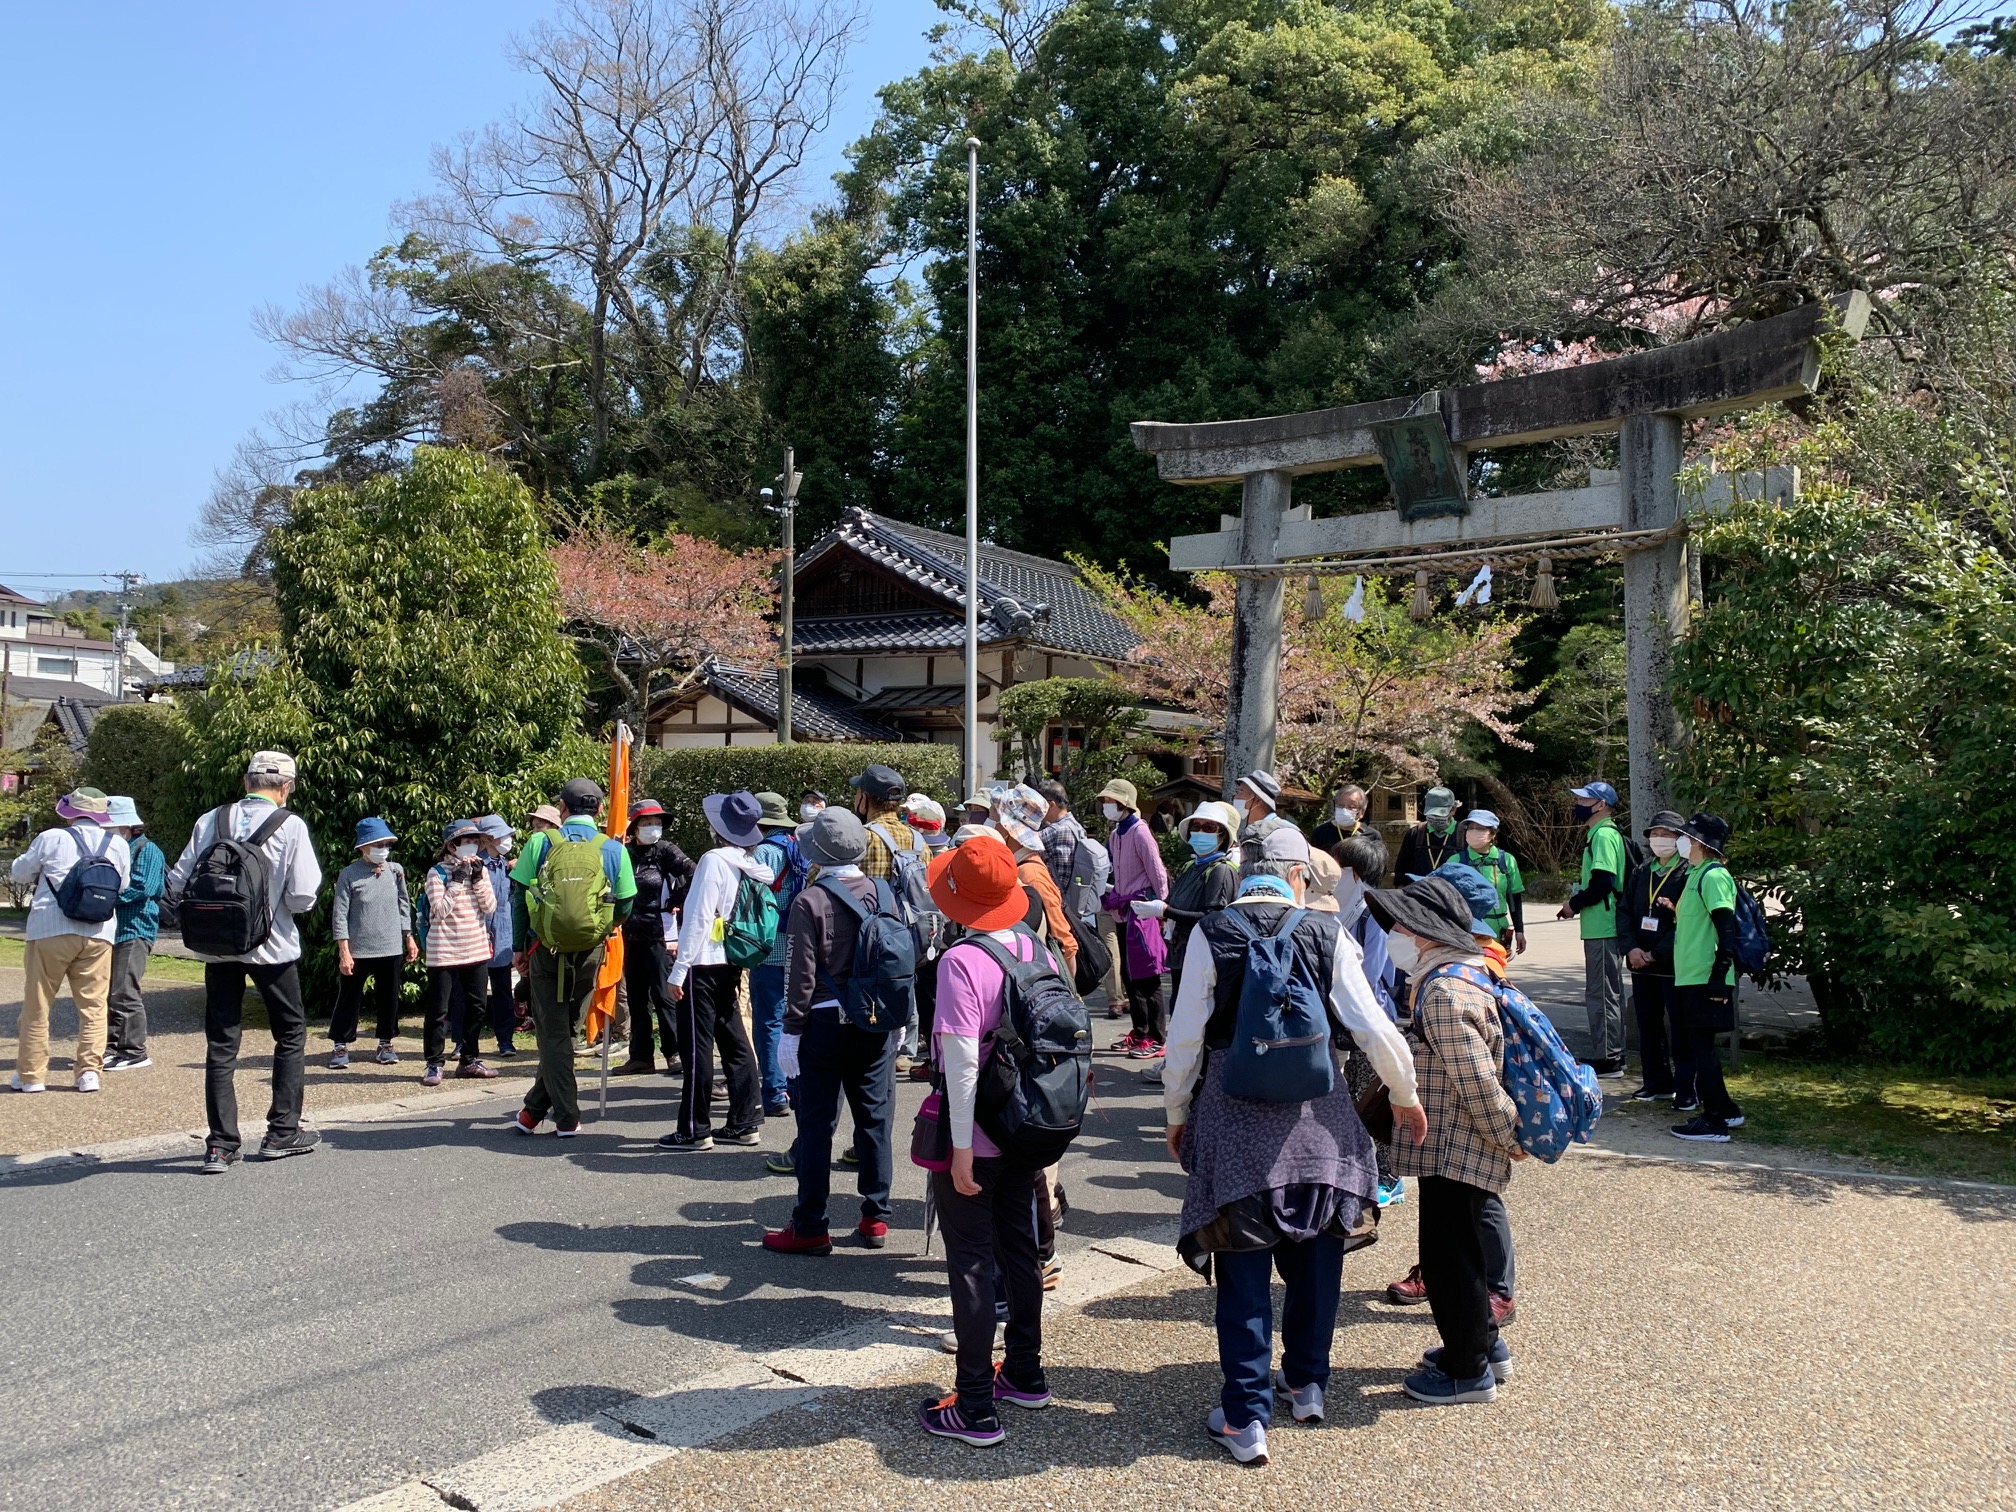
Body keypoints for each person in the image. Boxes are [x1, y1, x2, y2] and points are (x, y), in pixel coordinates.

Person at [1162, 826, 1426, 1465]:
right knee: (1317, 1259)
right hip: (1321, 1121)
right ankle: (1307, 1384)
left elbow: (1186, 1037)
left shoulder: (1211, 931)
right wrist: (1404, 1091)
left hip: (1235, 1119)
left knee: (1243, 1271)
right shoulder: (1324, 932)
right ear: (1299, 874)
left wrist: (1176, 1111)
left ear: (1248, 868)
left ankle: (1245, 1416)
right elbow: (1370, 1023)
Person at [917, 833, 1057, 1447]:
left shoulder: (960, 963)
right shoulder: (1033, 948)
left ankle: (973, 1405)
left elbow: (962, 1061)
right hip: (1028, 1126)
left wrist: (963, 1146)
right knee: (1020, 1250)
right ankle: (1025, 1371)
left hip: (978, 1131)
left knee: (971, 1261)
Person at [1367, 875, 1524, 1405]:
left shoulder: (1443, 991)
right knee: (1466, 1251)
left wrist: (1510, 1135)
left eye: (1398, 927)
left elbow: (1476, 1080)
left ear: (1423, 932)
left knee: (1448, 1258)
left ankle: (1465, 1370)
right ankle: (1483, 1345)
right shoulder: (1464, 975)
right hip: (1461, 1142)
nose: (1392, 936)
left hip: (1460, 1143)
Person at [167, 753, 322, 1171]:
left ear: (245, 781)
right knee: (290, 1033)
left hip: (218, 947)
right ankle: (281, 1132)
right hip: (273, 947)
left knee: (221, 1042)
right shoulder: (290, 825)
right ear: (286, 788)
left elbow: (179, 880)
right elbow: (304, 895)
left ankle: (220, 1144)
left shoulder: (210, 820)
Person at [761, 808, 904, 1255]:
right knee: (875, 1119)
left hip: (822, 1024)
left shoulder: (811, 900)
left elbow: (800, 975)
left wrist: (790, 1032)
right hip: (876, 1021)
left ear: (816, 853)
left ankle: (810, 1225)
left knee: (816, 1123)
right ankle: (875, 1219)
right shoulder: (884, 892)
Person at [508, 777, 635, 1138]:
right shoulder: (613, 849)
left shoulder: (540, 841)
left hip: (544, 949)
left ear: (562, 809)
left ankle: (566, 1116)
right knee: (564, 1031)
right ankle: (531, 1113)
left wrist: (519, 947)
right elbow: (626, 903)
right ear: (598, 810)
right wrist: (605, 927)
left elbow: (519, 898)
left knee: (552, 1034)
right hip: (591, 950)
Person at [659, 790, 774, 1153]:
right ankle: (745, 1120)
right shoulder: (749, 862)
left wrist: (679, 970)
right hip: (731, 957)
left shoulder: (712, 860)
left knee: (697, 1046)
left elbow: (698, 917)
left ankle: (694, 1128)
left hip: (701, 962)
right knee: (734, 1039)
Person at [8, 786, 130, 1095]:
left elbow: (20, 873)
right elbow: (123, 884)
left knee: (37, 1004)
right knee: (93, 1006)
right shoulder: (117, 843)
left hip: (50, 928)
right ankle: (89, 1072)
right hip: (99, 932)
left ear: (72, 812)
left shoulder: (51, 837)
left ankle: (32, 1076)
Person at [1332, 831, 1404, 1205]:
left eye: (1339, 866)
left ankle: (1389, 1176)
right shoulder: (1336, 906)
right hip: (1344, 1019)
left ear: (1356, 873)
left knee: (1372, 1097)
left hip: (1369, 1019)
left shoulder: (1373, 914)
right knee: (1351, 1096)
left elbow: (1373, 973)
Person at [1667, 812, 1748, 1143]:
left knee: (1701, 1047)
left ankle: (1715, 1121)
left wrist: (1719, 974)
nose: (1680, 841)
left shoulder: (1714, 876)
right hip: (1692, 976)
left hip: (1706, 977)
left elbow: (1726, 928)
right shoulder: (1696, 873)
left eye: (1686, 836)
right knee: (1699, 1045)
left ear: (1699, 842)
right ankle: (1726, 1109)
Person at [851, 764, 932, 1072]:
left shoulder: (863, 837)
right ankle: (901, 1050)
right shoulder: (917, 839)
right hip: (910, 935)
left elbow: (855, 890)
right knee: (903, 989)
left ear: (866, 798)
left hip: (871, 938)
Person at [328, 816, 416, 1068]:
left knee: (389, 997)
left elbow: (403, 904)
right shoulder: (349, 874)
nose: (383, 849)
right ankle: (340, 1045)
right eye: (377, 845)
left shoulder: (396, 870)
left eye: (386, 844)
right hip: (358, 948)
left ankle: (386, 1043)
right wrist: (344, 951)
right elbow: (340, 914)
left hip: (390, 946)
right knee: (348, 997)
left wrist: (408, 936)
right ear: (362, 847)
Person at [615, 799, 694, 1078]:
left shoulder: (666, 851)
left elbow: (692, 872)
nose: (653, 827)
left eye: (657, 822)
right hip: (629, 933)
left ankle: (674, 1053)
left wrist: (677, 898)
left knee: (664, 994)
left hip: (661, 933)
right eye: (647, 823)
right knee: (636, 997)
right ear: (635, 826)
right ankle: (640, 1056)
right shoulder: (623, 853)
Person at [1555, 780, 1628, 1075]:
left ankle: (1609, 1057)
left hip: (1603, 926)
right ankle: (1612, 1052)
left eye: (1586, 800)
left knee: (1601, 993)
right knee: (1606, 991)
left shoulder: (1604, 835)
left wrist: (1574, 903)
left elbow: (1603, 882)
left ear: (1601, 805)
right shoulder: (1599, 834)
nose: (1579, 805)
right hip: (1600, 925)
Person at [1623, 810, 1693, 1109]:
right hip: (1640, 962)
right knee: (1648, 1025)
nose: (1659, 840)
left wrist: (1656, 953)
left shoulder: (1688, 873)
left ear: (1680, 840)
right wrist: (1631, 948)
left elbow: (1685, 922)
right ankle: (1655, 1082)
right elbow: (1624, 911)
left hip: (1672, 964)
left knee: (1681, 1028)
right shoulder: (1641, 872)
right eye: (1655, 834)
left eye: (1666, 834)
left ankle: (1687, 1086)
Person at [424, 819, 499, 1086]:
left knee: (477, 1006)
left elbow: (489, 907)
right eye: (466, 842)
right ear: (452, 845)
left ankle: (469, 1060)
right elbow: (439, 912)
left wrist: (477, 878)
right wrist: (456, 882)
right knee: (438, 1010)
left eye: (475, 841)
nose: (472, 846)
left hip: (476, 948)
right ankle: (434, 1063)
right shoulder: (437, 873)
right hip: (443, 949)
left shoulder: (482, 870)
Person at [1098, 778, 1170, 1058]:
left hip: (1142, 912)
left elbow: (1157, 870)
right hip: (1123, 910)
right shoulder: (1117, 834)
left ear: (1124, 803)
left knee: (1147, 977)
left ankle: (1157, 1036)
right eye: (1105, 801)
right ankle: (1140, 1032)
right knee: (1130, 976)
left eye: (1110, 801)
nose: (1106, 806)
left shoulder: (1140, 832)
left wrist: (1161, 906)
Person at [750, 791, 805, 1116]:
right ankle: (795, 1088)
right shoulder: (799, 847)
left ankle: (774, 1093)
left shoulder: (763, 853)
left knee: (769, 1022)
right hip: (799, 949)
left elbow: (754, 902)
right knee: (794, 1020)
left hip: (769, 949)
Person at [994, 784, 1079, 980]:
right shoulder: (1018, 867)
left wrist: (1067, 995)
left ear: (1008, 828)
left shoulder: (1031, 874)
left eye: (997, 817)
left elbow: (1065, 944)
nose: (993, 823)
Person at [104, 795, 165, 1072]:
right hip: (111, 930)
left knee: (125, 990)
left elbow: (144, 887)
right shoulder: (113, 848)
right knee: (109, 991)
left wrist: (102, 898)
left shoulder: (147, 850)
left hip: (135, 928)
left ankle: (134, 1051)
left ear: (127, 825)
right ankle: (112, 1046)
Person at [472, 816, 521, 1058]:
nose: (508, 841)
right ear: (488, 839)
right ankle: (465, 1043)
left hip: (503, 938)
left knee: (503, 991)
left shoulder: (505, 864)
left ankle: (506, 1041)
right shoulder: (474, 865)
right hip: (477, 936)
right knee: (473, 994)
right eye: (504, 836)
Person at [1456, 809, 1527, 955]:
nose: (1474, 832)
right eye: (1471, 827)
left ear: (1493, 834)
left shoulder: (1507, 860)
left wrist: (1519, 931)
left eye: (1480, 828)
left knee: (1497, 973)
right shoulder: (1456, 861)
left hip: (1498, 932)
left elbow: (1514, 898)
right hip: (1467, 932)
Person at [1394, 785, 1463, 881]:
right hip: (1418, 892)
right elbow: (1401, 872)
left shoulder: (1464, 835)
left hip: (1452, 893)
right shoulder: (1415, 834)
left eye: (1440, 814)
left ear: (1453, 810)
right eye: (1432, 813)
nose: (1435, 817)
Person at [1233, 770, 1294, 848]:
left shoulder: (1283, 831)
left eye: (1241, 793)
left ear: (1258, 800)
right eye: (1237, 792)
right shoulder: (1251, 830)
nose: (1235, 797)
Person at [1307, 782, 1370, 855]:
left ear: (1361, 812)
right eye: (1340, 805)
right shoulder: (1320, 833)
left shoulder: (1371, 836)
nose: (1344, 809)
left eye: (1351, 806)